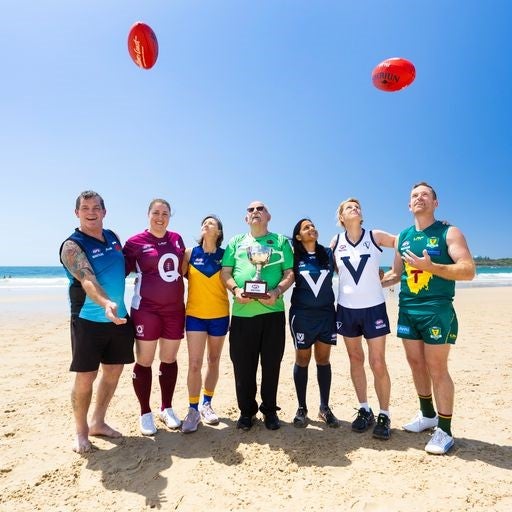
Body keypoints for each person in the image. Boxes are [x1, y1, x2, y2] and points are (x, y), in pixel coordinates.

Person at [383, 182, 475, 454]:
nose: (419, 198)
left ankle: (444, 430)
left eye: (425, 195)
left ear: (435, 203)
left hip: (436, 308)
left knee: (437, 368)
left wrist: (432, 267)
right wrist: (370, 280)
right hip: (408, 308)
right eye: (414, 195)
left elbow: (468, 270)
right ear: (409, 205)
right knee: (415, 363)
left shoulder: (449, 232)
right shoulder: (403, 237)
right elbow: (394, 274)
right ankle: (427, 415)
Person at [60, 190, 135, 454]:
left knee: (114, 371)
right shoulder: (72, 246)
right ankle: (81, 432)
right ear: (77, 213)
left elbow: (122, 268)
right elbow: (87, 279)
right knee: (86, 376)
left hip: (120, 318)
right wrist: (106, 303)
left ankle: (98, 422)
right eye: (85, 208)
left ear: (104, 211)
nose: (91, 212)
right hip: (88, 318)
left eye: (96, 207)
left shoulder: (113, 237)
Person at [221, 201, 294, 431]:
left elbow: (290, 273)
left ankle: (270, 411)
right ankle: (246, 412)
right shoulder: (235, 242)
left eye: (260, 209)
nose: (255, 212)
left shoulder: (281, 242)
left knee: (271, 365)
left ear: (268, 216)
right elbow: (225, 273)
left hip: (273, 313)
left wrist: (276, 291)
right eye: (250, 210)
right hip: (242, 315)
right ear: (246, 219)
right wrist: (235, 290)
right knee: (243, 367)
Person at [331, 197, 396, 440]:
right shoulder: (336, 242)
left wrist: (395, 273)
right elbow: (340, 273)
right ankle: (364, 409)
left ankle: (384, 414)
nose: (355, 208)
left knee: (378, 362)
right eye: (349, 207)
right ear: (341, 217)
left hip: (374, 309)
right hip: (346, 309)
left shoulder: (375, 236)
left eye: (357, 206)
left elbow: (402, 242)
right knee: (355, 359)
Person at [123, 199, 186, 436]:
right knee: (145, 360)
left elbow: (185, 269)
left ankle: (166, 407)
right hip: (146, 309)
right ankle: (145, 412)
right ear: (148, 214)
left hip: (174, 310)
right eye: (156, 213)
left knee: (169, 359)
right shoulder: (134, 242)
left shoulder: (177, 239)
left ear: (170, 216)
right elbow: (117, 271)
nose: (160, 217)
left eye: (165, 213)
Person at [180, 215, 229, 433]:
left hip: (219, 315)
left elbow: (234, 280)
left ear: (218, 232)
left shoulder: (226, 255)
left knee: (214, 359)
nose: (206, 225)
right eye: (204, 222)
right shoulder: (190, 254)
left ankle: (206, 404)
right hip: (195, 316)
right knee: (194, 363)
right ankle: (192, 410)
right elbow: (174, 277)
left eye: (211, 223)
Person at [289, 218, 339, 428]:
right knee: (302, 358)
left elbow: (351, 268)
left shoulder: (328, 253)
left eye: (313, 226)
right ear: (298, 236)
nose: (312, 229)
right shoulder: (294, 257)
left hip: (326, 314)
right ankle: (302, 408)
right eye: (306, 227)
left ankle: (324, 407)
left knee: (323, 360)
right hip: (302, 316)